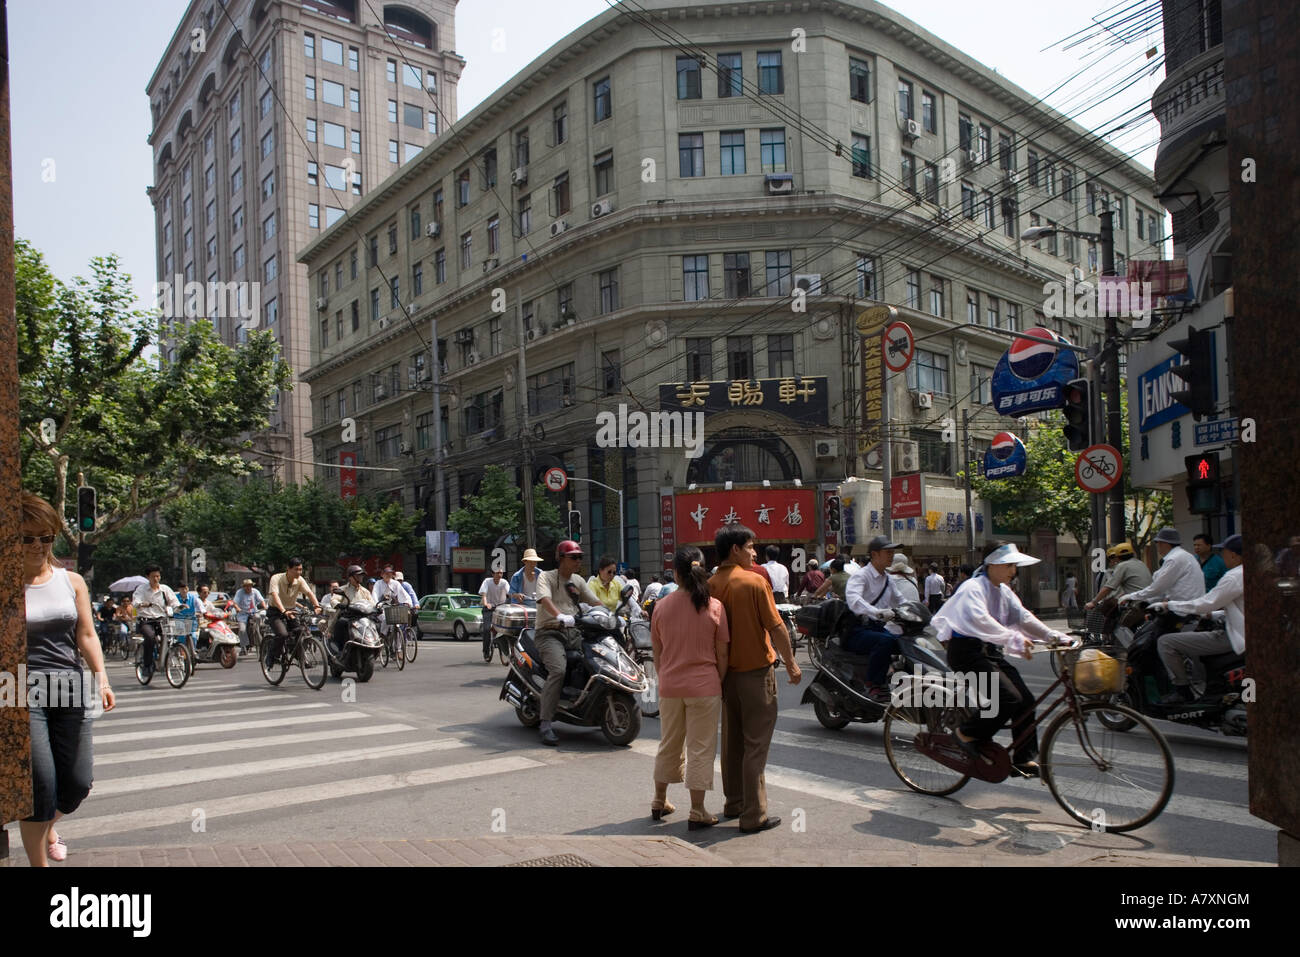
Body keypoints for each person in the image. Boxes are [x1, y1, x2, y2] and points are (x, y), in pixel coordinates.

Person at [19, 493, 115, 866]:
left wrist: (102, 680)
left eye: (45, 537)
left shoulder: (70, 581)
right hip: (19, 690)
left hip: (70, 687)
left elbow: (87, 635)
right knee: (41, 784)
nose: (39, 546)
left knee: (76, 785)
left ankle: (48, 828)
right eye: (28, 538)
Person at [932, 543, 1070, 778]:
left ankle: (1022, 759)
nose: (1013, 571)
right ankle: (965, 734)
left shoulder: (1003, 591)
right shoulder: (972, 588)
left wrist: (1055, 636)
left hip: (989, 652)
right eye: (1008, 565)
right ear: (992, 564)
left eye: (1014, 566)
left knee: (1026, 701)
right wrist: (1012, 637)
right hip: (966, 653)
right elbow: (980, 620)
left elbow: (1023, 617)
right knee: (1007, 698)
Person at [708, 524, 801, 834]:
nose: (754, 552)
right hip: (756, 675)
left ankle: (733, 803)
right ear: (735, 549)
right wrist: (790, 663)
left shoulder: (710, 585)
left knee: (732, 743)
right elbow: (776, 628)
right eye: (750, 547)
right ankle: (753, 815)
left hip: (724, 677)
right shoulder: (753, 582)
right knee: (755, 746)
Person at [650, 546, 730, 829]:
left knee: (669, 743)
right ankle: (697, 810)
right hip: (705, 687)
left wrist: (667, 677)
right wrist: (716, 681)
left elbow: (657, 654)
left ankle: (659, 800)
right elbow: (722, 654)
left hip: (670, 686)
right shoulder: (715, 606)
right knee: (700, 748)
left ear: (675, 574)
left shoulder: (661, 606)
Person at [1150, 534, 1245, 704]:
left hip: (1234, 636)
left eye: (1224, 552)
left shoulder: (1233, 576)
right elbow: (1238, 608)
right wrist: (1211, 614)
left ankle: (1182, 691)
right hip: (1229, 623)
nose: (1222, 557)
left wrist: (1170, 605)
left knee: (1166, 642)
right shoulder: (1249, 573)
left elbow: (1206, 602)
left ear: (1234, 555)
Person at [534, 540, 602, 745]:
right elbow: (544, 599)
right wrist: (560, 616)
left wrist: (610, 614)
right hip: (549, 632)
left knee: (598, 661)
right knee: (558, 670)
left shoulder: (578, 581)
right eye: (574, 557)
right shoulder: (546, 577)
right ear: (561, 558)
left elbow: (595, 601)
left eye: (580, 557)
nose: (578, 561)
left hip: (573, 633)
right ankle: (546, 722)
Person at [842, 537, 909, 702]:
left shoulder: (888, 579)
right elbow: (854, 600)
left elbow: (900, 600)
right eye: (888, 552)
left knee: (905, 642)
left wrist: (915, 611)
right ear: (874, 554)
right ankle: (873, 684)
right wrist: (877, 612)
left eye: (893, 552)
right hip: (857, 630)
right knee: (885, 641)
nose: (891, 555)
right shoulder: (861, 576)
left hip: (877, 628)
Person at [1117, 528, 1205, 609]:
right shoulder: (1186, 556)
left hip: (1182, 609)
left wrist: (1131, 596)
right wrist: (1146, 600)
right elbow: (1162, 589)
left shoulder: (1174, 559)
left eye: (1157, 543)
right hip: (1190, 606)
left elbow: (1157, 588)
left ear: (1164, 543)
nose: (1157, 546)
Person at [265, 558, 322, 666]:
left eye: (300, 570)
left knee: (301, 631)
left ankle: (298, 655)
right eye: (296, 569)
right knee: (282, 634)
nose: (299, 572)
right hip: (276, 611)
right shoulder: (276, 578)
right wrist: (283, 610)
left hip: (291, 610)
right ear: (288, 569)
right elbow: (275, 595)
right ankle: (271, 655)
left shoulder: (300, 580)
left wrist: (317, 606)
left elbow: (309, 593)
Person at [133, 563, 179, 679]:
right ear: (148, 577)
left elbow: (174, 601)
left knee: (173, 634)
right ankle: (147, 665)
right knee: (150, 637)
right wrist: (142, 604)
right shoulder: (141, 589)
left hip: (161, 619)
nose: (156, 579)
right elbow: (135, 602)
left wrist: (178, 606)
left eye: (158, 576)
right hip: (146, 621)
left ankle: (168, 655)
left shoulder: (165, 589)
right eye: (153, 576)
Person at [1085, 543, 1152, 611]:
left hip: (1136, 604)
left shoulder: (1122, 566)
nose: (1113, 559)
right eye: (1111, 557)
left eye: (1114, 557)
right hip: (1149, 601)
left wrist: (1093, 602)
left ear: (1117, 557)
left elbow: (1108, 587)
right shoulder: (1141, 563)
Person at [330, 565, 373, 651]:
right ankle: (339, 649)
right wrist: (339, 605)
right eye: (358, 575)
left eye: (361, 575)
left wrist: (377, 608)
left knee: (376, 624)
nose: (360, 577)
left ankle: (373, 646)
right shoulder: (343, 589)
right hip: (348, 617)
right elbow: (333, 600)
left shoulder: (365, 591)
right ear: (350, 577)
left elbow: (372, 603)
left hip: (362, 618)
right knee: (341, 623)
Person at [231, 578, 267, 655]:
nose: (248, 588)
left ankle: (258, 637)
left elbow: (261, 600)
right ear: (243, 587)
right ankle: (243, 647)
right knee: (242, 630)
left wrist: (264, 606)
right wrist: (237, 608)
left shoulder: (255, 591)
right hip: (243, 613)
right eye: (246, 586)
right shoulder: (239, 592)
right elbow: (234, 602)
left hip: (254, 612)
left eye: (250, 586)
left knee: (258, 619)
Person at [478, 567, 511, 651]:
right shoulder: (487, 582)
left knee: (508, 628)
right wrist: (486, 604)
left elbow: (510, 593)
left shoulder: (504, 582)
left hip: (501, 608)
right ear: (493, 574)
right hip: (489, 608)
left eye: (501, 573)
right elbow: (484, 595)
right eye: (497, 573)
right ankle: (486, 650)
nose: (500, 575)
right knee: (486, 629)